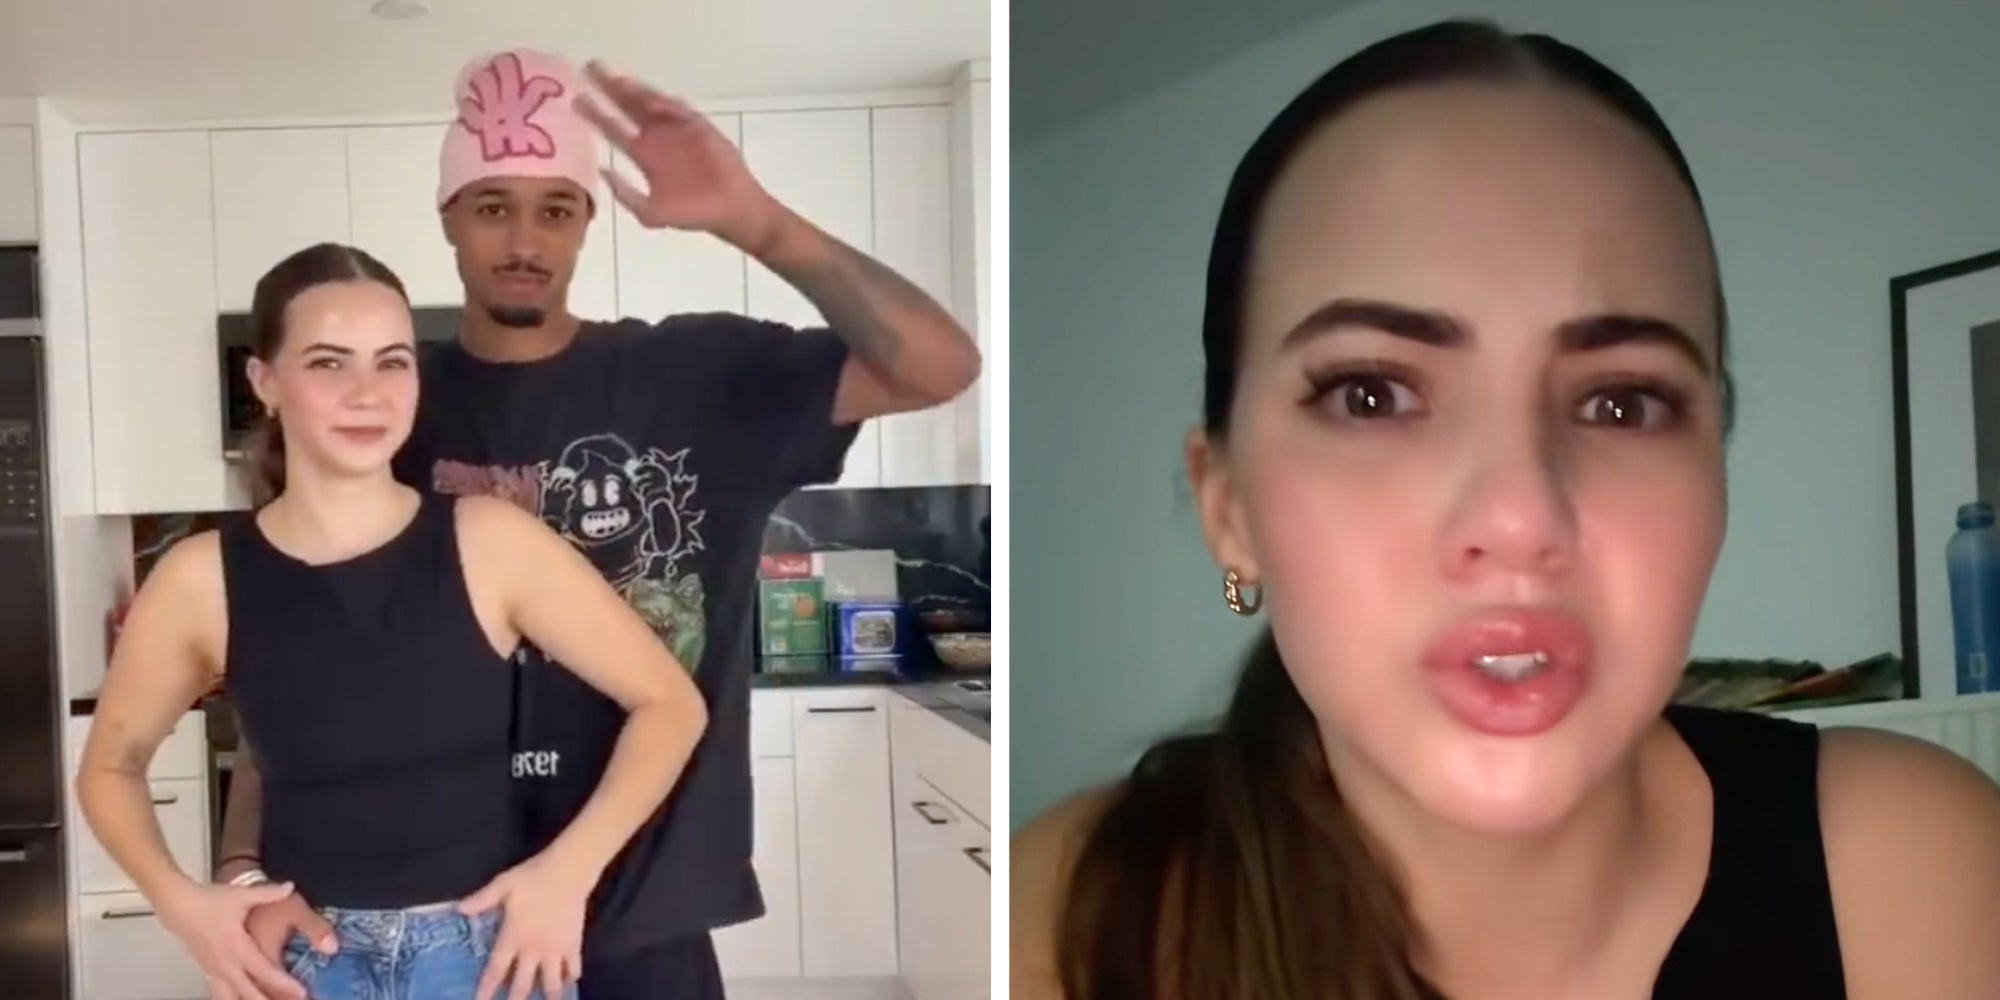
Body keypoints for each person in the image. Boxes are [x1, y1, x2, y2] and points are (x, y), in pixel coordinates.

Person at [1010, 19, 2000, 1000]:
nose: (1521, 514)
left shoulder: (1910, 868)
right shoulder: (1064, 920)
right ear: (1226, 506)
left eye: (1621, 402)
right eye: (1371, 395)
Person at [210, 49, 983, 999]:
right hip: (432, 929)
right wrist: (244, 868)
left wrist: (757, 220)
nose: (524, 238)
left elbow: (941, 364)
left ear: (586, 223)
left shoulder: (697, 379)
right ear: (448, 217)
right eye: (492, 205)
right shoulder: (389, 407)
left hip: (643, 906)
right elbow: (294, 677)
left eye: (556, 208)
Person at [74, 243, 710, 1000]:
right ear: (265, 382)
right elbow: (109, 770)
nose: (367, 393)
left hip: (486, 957)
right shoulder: (199, 577)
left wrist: (566, 874)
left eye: (393, 362)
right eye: (327, 363)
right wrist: (187, 905)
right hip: (300, 966)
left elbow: (671, 705)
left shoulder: (491, 539)